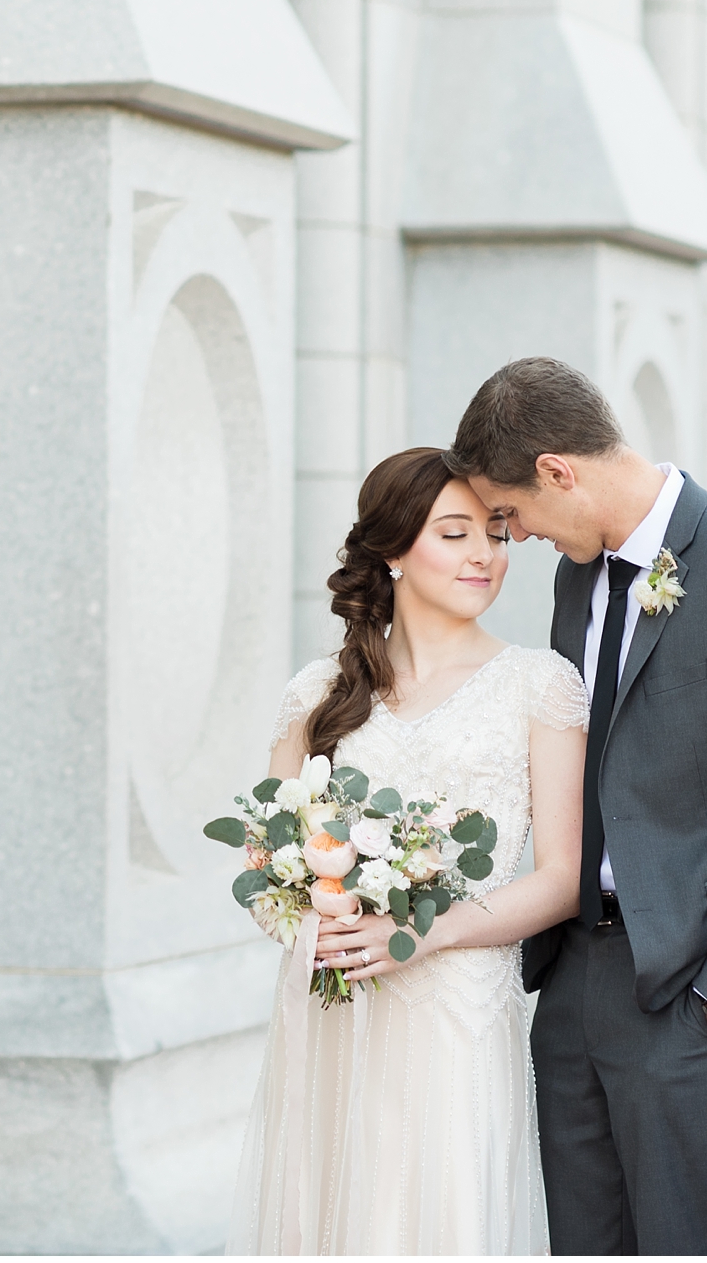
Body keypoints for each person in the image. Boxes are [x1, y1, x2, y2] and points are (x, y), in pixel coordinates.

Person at [444, 357, 707, 1257]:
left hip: (694, 989)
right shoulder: (578, 577)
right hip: (576, 978)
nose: (518, 540)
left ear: (558, 470)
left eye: (512, 516)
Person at [228, 446, 591, 1256]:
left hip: (458, 1010)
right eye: (455, 534)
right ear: (393, 550)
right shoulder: (320, 693)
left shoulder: (541, 685)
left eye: (495, 534)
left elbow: (564, 879)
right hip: (338, 1010)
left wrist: (426, 931)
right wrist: (308, 920)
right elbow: (264, 860)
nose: (485, 556)